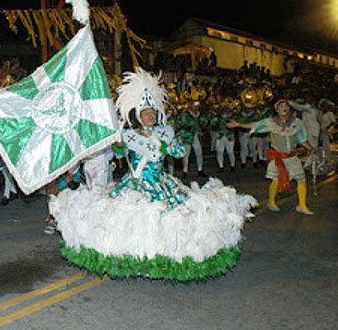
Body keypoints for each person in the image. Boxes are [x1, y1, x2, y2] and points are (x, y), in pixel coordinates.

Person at [49, 69, 255, 281]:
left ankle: (159, 258)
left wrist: (167, 146)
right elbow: (119, 152)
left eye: (153, 112)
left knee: (167, 220)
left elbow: (180, 152)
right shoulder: (129, 135)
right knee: (131, 220)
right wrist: (119, 143)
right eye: (146, 112)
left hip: (160, 183)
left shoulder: (165, 132)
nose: (151, 115)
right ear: (138, 115)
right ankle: (134, 258)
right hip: (135, 183)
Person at [228, 99, 314, 214]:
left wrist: (312, 149)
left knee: (301, 179)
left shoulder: (297, 123)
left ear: (289, 109)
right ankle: (271, 202)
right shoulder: (270, 122)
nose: (284, 108)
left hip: (292, 157)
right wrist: (239, 124)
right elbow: (255, 125)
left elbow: (302, 139)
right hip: (278, 157)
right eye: (281, 106)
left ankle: (302, 205)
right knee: (276, 180)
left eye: (286, 106)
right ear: (277, 109)